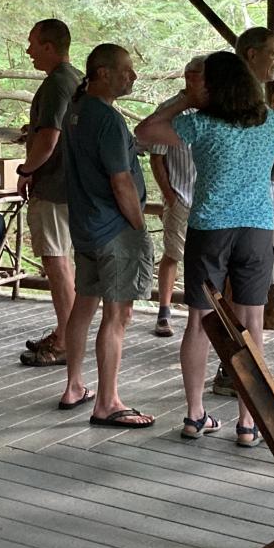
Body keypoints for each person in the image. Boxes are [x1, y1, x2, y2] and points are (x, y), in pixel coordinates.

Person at [135, 51, 274, 447]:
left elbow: (145, 131)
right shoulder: (269, 124)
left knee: (200, 321)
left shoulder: (199, 125)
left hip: (210, 227)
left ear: (214, 86)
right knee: (252, 323)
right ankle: (248, 422)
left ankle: (194, 415)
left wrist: (185, 101)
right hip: (257, 229)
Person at [58, 44, 157, 428]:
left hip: (85, 226)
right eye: (126, 70)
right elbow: (121, 181)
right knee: (119, 315)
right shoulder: (109, 120)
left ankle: (73, 386)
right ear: (101, 73)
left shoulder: (75, 112)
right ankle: (108, 401)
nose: (132, 76)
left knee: (84, 305)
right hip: (115, 229)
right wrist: (138, 223)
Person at [207, 26, 274, 396]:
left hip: (235, 215)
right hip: (242, 215)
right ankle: (237, 372)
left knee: (233, 301)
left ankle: (233, 371)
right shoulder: (244, 108)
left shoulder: (260, 107)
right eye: (272, 52)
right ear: (251, 54)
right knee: (238, 301)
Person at [16, 19, 81, 366]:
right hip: (71, 186)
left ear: (49, 47)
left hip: (54, 187)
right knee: (64, 263)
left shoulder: (57, 83)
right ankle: (64, 331)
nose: (28, 51)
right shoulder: (75, 80)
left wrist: (27, 169)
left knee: (56, 263)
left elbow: (50, 138)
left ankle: (67, 340)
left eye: (32, 44)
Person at [146, 55, 205, 338]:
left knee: (205, 259)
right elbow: (156, 158)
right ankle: (164, 312)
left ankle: (204, 313)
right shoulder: (169, 111)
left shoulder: (213, 112)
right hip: (181, 196)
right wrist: (169, 196)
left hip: (209, 201)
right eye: (195, 75)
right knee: (173, 254)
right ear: (188, 77)